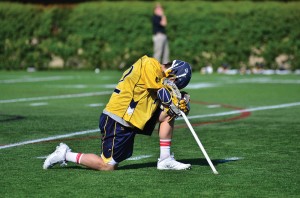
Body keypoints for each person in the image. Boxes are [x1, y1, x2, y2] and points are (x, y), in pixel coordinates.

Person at [43, 55, 192, 171]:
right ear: (172, 71)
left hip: (133, 117)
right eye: (173, 81)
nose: (172, 84)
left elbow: (165, 106)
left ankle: (165, 159)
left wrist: (180, 104)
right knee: (107, 166)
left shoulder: (158, 78)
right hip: (119, 117)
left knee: (170, 113)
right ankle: (64, 154)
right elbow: (163, 94)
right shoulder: (150, 64)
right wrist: (176, 101)